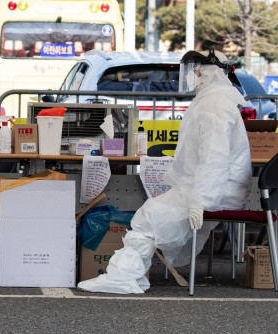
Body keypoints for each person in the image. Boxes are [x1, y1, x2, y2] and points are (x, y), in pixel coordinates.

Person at [78, 49, 252, 294]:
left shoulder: (215, 104)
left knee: (149, 217)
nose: (193, 74)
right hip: (209, 187)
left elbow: (215, 158)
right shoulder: (212, 100)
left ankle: (122, 278)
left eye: (197, 69)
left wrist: (200, 201)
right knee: (149, 216)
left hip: (214, 190)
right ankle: (130, 276)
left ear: (210, 72)